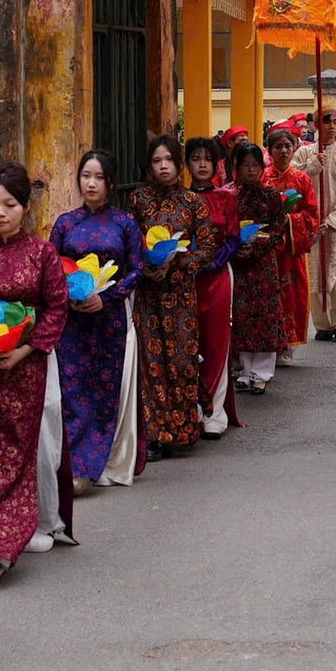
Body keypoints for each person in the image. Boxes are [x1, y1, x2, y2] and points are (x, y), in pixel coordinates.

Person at [0, 162, 71, 584]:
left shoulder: (41, 254)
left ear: (25, 207)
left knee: (14, 453)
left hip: (24, 370)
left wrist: (24, 351)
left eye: (9, 204)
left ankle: (4, 546)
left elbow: (56, 307)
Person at [50, 149, 145, 487]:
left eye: (99, 177)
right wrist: (69, 298)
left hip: (109, 321)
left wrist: (106, 299)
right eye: (86, 176)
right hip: (73, 323)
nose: (91, 183)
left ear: (110, 183)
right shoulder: (65, 223)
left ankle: (100, 463)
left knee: (106, 390)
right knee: (73, 391)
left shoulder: (125, 223)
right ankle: (75, 467)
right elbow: (52, 270)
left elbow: (137, 270)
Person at [128, 135, 217, 460]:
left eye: (168, 160)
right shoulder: (138, 200)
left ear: (179, 164)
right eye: (156, 160)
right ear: (150, 166)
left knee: (180, 362)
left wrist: (177, 262)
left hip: (180, 295)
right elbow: (130, 244)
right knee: (151, 364)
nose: (163, 166)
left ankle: (182, 429)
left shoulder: (193, 202)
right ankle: (154, 435)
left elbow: (207, 247)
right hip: (149, 295)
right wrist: (145, 267)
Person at [185, 135, 239, 437]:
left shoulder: (226, 198)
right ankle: (191, 407)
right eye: (196, 158)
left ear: (217, 162)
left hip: (217, 278)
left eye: (208, 158)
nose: (202, 164)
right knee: (189, 343)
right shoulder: (181, 199)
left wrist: (213, 261)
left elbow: (233, 238)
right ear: (187, 164)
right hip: (185, 281)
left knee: (218, 342)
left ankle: (214, 412)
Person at [228, 140, 289, 394]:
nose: (251, 170)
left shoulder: (271, 195)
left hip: (263, 264)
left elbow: (277, 228)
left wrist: (257, 248)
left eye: (255, 165)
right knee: (241, 313)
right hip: (239, 262)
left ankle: (262, 372)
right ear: (237, 167)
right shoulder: (229, 196)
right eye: (245, 165)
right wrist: (235, 248)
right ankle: (244, 368)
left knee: (264, 314)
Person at [262, 126, 322, 366]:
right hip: (267, 249)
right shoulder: (262, 179)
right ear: (270, 150)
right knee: (268, 295)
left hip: (291, 249)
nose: (284, 151)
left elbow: (311, 214)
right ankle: (269, 342)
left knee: (293, 295)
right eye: (278, 147)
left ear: (295, 147)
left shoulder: (302, 179)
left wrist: (288, 220)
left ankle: (288, 345)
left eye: (288, 146)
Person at [300, 107, 336, 342]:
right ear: (315, 124)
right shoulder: (304, 154)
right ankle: (322, 323)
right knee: (315, 272)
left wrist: (333, 220)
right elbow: (291, 179)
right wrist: (311, 167)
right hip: (310, 222)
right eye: (327, 121)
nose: (333, 126)